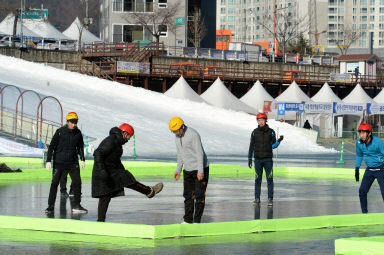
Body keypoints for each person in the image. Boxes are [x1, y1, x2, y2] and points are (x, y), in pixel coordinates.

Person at [92, 123, 163, 222]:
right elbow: (98, 153)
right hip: (104, 171)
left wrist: (122, 169)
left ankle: (149, 191)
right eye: (129, 136)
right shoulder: (111, 141)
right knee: (106, 195)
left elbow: (115, 159)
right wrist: (102, 171)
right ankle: (149, 191)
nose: (129, 139)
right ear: (124, 133)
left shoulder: (117, 142)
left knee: (119, 185)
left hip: (110, 170)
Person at [45, 112, 87, 214]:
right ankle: (50, 206)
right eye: (72, 122)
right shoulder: (60, 132)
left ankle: (77, 205)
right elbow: (51, 147)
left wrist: (82, 159)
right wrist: (48, 161)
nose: (74, 124)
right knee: (54, 184)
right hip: (59, 162)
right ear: (67, 122)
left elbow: (81, 147)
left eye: (76, 122)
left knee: (77, 183)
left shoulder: (78, 133)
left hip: (73, 163)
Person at [169, 117, 209, 224]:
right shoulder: (177, 137)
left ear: (182, 126)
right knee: (188, 195)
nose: (176, 133)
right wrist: (178, 169)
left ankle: (196, 221)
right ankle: (187, 220)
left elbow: (199, 153)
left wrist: (200, 171)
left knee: (199, 195)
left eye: (177, 130)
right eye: (174, 132)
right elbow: (180, 154)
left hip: (200, 168)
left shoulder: (193, 134)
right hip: (187, 169)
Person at [248, 112, 284, 207]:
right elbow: (251, 146)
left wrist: (279, 141)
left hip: (268, 160)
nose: (260, 122)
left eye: (262, 120)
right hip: (258, 160)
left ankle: (270, 199)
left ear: (265, 120)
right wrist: (249, 159)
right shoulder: (254, 132)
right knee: (257, 180)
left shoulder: (271, 132)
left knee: (270, 179)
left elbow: (273, 146)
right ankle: (257, 198)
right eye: (259, 120)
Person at [355, 123, 384, 214]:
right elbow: (359, 155)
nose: (362, 135)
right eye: (360, 133)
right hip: (369, 170)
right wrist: (357, 168)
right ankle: (364, 213)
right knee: (362, 191)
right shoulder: (359, 143)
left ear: (369, 133)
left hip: (381, 169)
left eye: (364, 133)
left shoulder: (378, 142)